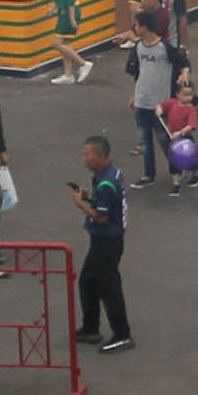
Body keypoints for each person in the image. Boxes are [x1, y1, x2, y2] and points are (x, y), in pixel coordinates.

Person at [67, 134, 130, 354]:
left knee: (109, 287)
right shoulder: (108, 174)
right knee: (87, 281)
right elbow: (107, 205)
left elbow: (102, 217)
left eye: (87, 154)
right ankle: (91, 327)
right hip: (103, 240)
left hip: (107, 241)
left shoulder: (105, 182)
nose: (84, 158)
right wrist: (88, 198)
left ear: (100, 156)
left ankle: (122, 334)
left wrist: (80, 204)